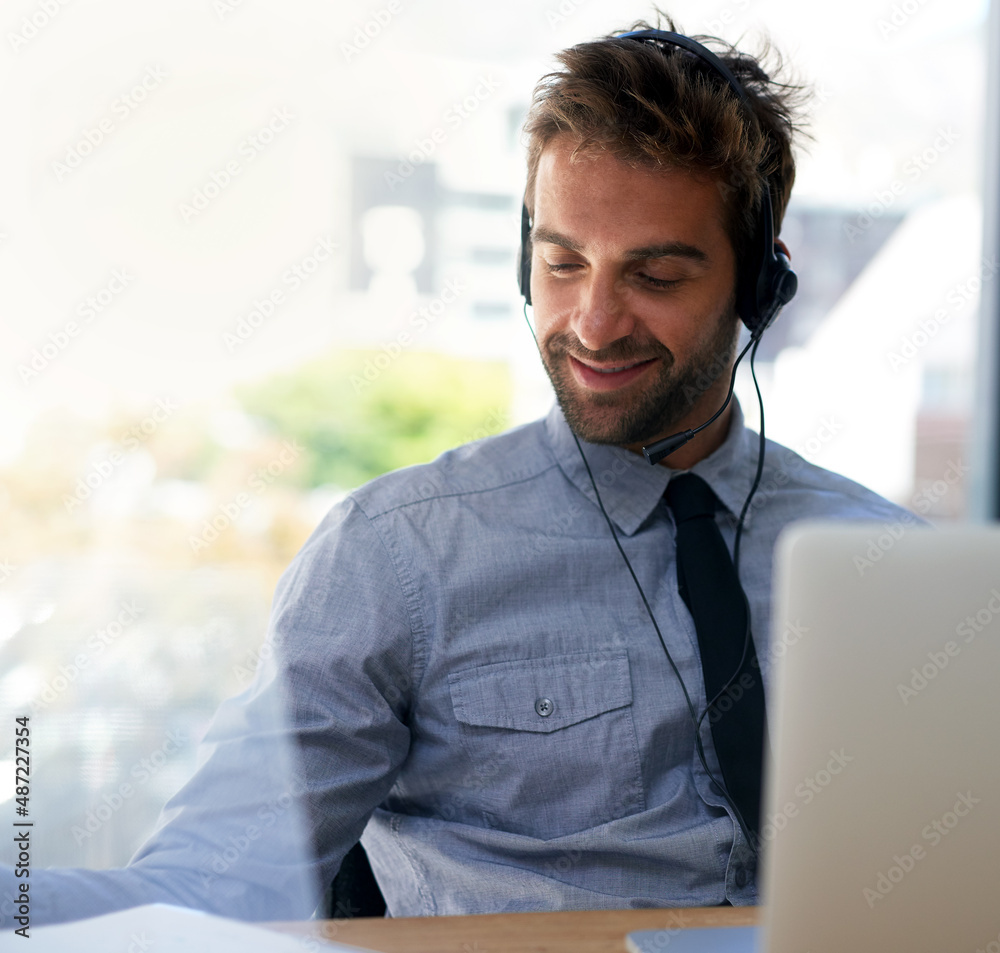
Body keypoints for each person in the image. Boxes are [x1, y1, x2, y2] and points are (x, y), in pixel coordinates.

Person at [1, 14, 916, 929]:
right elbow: (207, 888)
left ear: (762, 287)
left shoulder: (891, 564)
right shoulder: (397, 554)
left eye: (658, 277)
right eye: (561, 263)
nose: (593, 323)